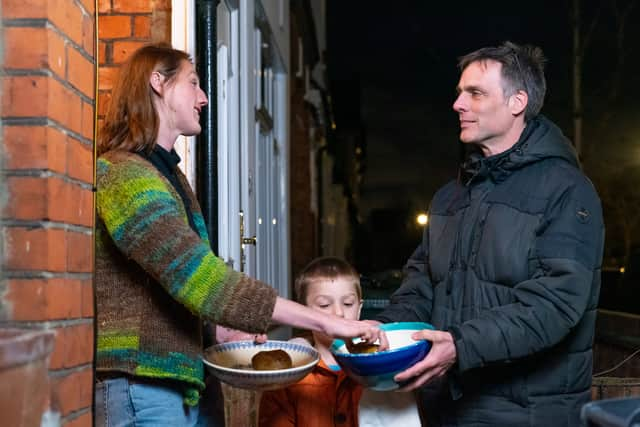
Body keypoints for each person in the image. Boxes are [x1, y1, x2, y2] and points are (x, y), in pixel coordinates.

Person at [94, 43, 382, 427]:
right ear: (158, 83)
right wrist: (325, 322)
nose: (204, 97)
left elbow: (175, 287)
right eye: (193, 82)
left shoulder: (169, 177)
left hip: (190, 382)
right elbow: (196, 275)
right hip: (146, 387)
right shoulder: (124, 175)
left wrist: (217, 329)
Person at [372, 41, 605, 427]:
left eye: (475, 93)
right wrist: (386, 332)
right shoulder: (450, 196)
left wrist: (460, 346)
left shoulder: (567, 190)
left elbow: (556, 303)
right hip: (448, 407)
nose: (458, 104)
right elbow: (420, 285)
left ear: (517, 102)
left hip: (528, 414)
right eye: (460, 92)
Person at [259, 257, 421, 427]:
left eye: (348, 303)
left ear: (359, 309)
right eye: (324, 305)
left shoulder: (379, 372)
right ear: (304, 315)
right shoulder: (288, 376)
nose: (338, 312)